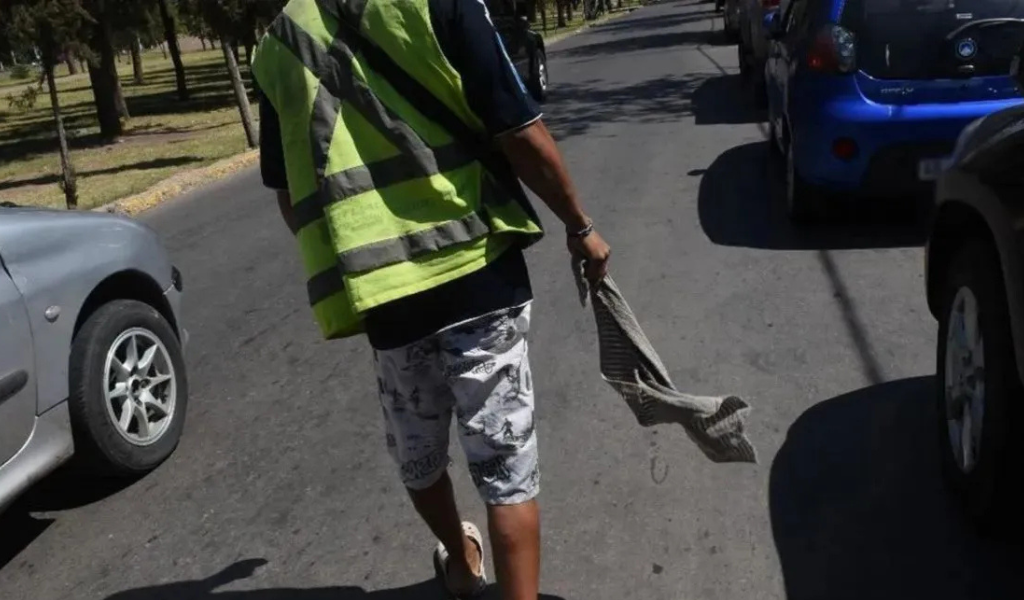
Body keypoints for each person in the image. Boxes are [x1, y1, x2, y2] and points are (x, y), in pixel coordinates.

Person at [252, 1, 610, 598]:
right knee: (505, 468)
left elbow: (290, 193)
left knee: (418, 453)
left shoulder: (277, 46)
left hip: (385, 294)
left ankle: (463, 567)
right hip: (479, 270)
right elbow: (519, 131)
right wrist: (580, 226)